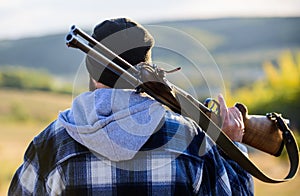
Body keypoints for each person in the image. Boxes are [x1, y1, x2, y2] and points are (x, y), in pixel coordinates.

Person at [8, 18, 254, 195]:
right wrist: (232, 147)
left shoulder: (51, 143)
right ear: (150, 72)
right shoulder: (190, 138)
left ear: (93, 75)